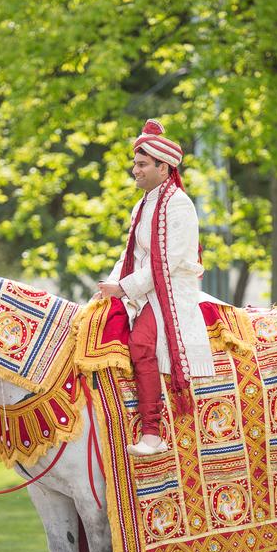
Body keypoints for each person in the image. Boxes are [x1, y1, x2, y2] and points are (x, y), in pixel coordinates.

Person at [96, 120, 215, 457]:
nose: (135, 170)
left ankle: (153, 432)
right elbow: (131, 253)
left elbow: (168, 261)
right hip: (145, 288)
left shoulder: (179, 204)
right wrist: (110, 284)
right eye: (135, 163)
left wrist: (123, 288)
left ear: (164, 167)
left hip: (172, 289)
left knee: (141, 343)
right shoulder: (144, 203)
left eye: (142, 164)